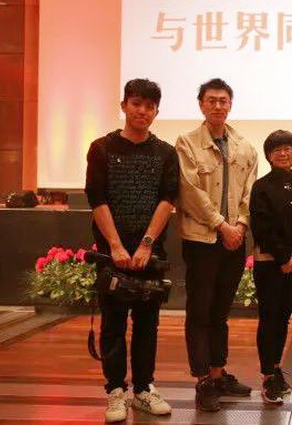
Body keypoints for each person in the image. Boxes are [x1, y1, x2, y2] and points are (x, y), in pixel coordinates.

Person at [85, 78, 177, 423]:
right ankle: (115, 391)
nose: (142, 111)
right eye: (136, 104)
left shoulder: (165, 152)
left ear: (156, 111)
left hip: (149, 252)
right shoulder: (101, 148)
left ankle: (143, 389)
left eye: (150, 106)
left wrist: (146, 244)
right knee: (112, 324)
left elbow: (167, 199)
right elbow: (97, 198)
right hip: (112, 253)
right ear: (124, 105)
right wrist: (115, 245)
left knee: (147, 324)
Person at [175, 78, 258, 412]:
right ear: (201, 104)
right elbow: (189, 191)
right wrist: (222, 225)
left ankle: (218, 372)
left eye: (223, 101)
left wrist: (240, 225)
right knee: (200, 311)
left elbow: (250, 191)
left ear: (230, 104)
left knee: (221, 312)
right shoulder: (187, 143)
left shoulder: (244, 146)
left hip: (234, 239)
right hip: (202, 239)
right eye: (211, 100)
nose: (218, 106)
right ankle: (203, 381)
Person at [250, 130, 292, 405]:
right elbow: (262, 227)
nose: (283, 153)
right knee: (269, 318)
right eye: (277, 149)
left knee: (283, 318)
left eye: (288, 149)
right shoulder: (261, 187)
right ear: (268, 155)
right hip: (270, 265)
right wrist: (284, 258)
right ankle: (267, 375)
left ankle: (276, 368)